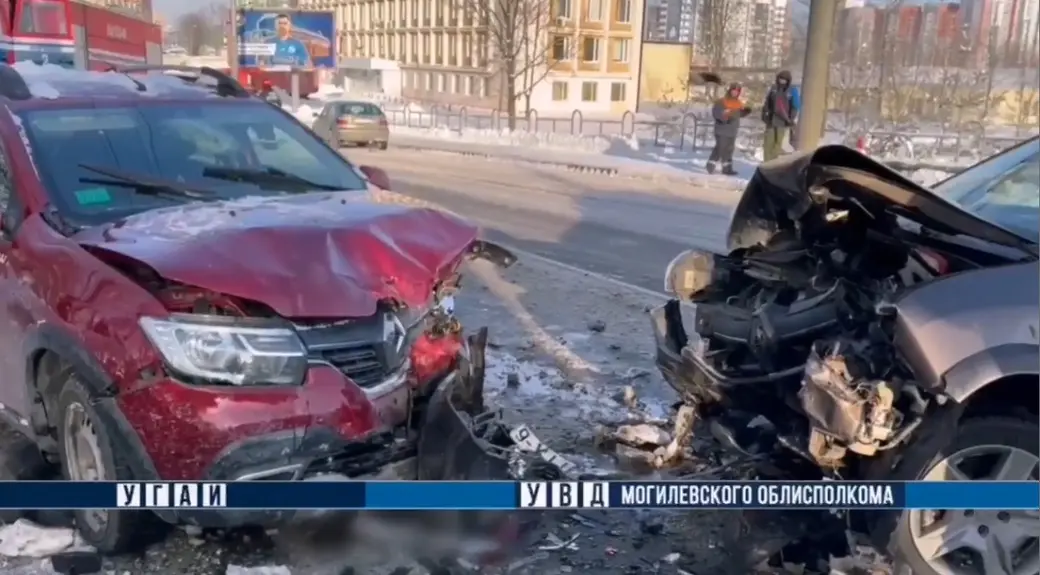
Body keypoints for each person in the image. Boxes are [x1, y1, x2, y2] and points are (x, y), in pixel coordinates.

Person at [708, 83, 752, 176]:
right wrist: (725, 118)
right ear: (730, 90)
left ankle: (727, 168)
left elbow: (738, 114)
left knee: (729, 149)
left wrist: (745, 112)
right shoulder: (721, 101)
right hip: (721, 129)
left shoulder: (738, 103)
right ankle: (711, 164)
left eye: (737, 91)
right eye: (733, 90)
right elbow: (716, 113)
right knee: (720, 147)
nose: (735, 93)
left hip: (732, 130)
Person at [761, 70, 796, 162]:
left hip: (783, 121)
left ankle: (773, 162)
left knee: (778, 143)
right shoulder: (773, 89)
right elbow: (767, 103)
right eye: (781, 78)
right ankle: (767, 163)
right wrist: (764, 114)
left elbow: (794, 106)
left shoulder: (792, 91)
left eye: (784, 79)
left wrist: (791, 119)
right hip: (771, 120)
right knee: (768, 142)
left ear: (788, 80)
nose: (782, 81)